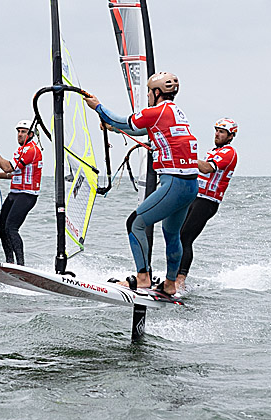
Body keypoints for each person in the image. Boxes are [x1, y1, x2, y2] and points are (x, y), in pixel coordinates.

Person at [84, 72, 199, 296]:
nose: (147, 95)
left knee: (135, 223)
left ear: (157, 93)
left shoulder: (156, 111)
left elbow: (123, 121)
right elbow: (137, 129)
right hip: (190, 185)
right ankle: (170, 284)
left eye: (149, 92)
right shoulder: (176, 113)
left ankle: (143, 277)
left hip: (173, 183)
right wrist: (112, 128)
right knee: (171, 233)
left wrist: (98, 107)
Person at [176, 118, 239, 293]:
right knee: (178, 236)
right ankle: (172, 276)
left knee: (186, 238)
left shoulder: (229, 153)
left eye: (222, 132)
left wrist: (185, 155)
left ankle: (180, 280)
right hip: (195, 198)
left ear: (230, 136)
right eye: (216, 130)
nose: (217, 134)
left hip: (207, 202)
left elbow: (205, 169)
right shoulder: (213, 151)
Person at [0, 119, 43, 266]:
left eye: (23, 132)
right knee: (1, 228)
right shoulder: (21, 150)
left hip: (27, 195)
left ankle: (20, 265)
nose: (19, 135)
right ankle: (9, 262)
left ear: (30, 134)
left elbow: (8, 168)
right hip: (15, 193)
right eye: (18, 132)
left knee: (11, 228)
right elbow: (13, 173)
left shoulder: (31, 150)